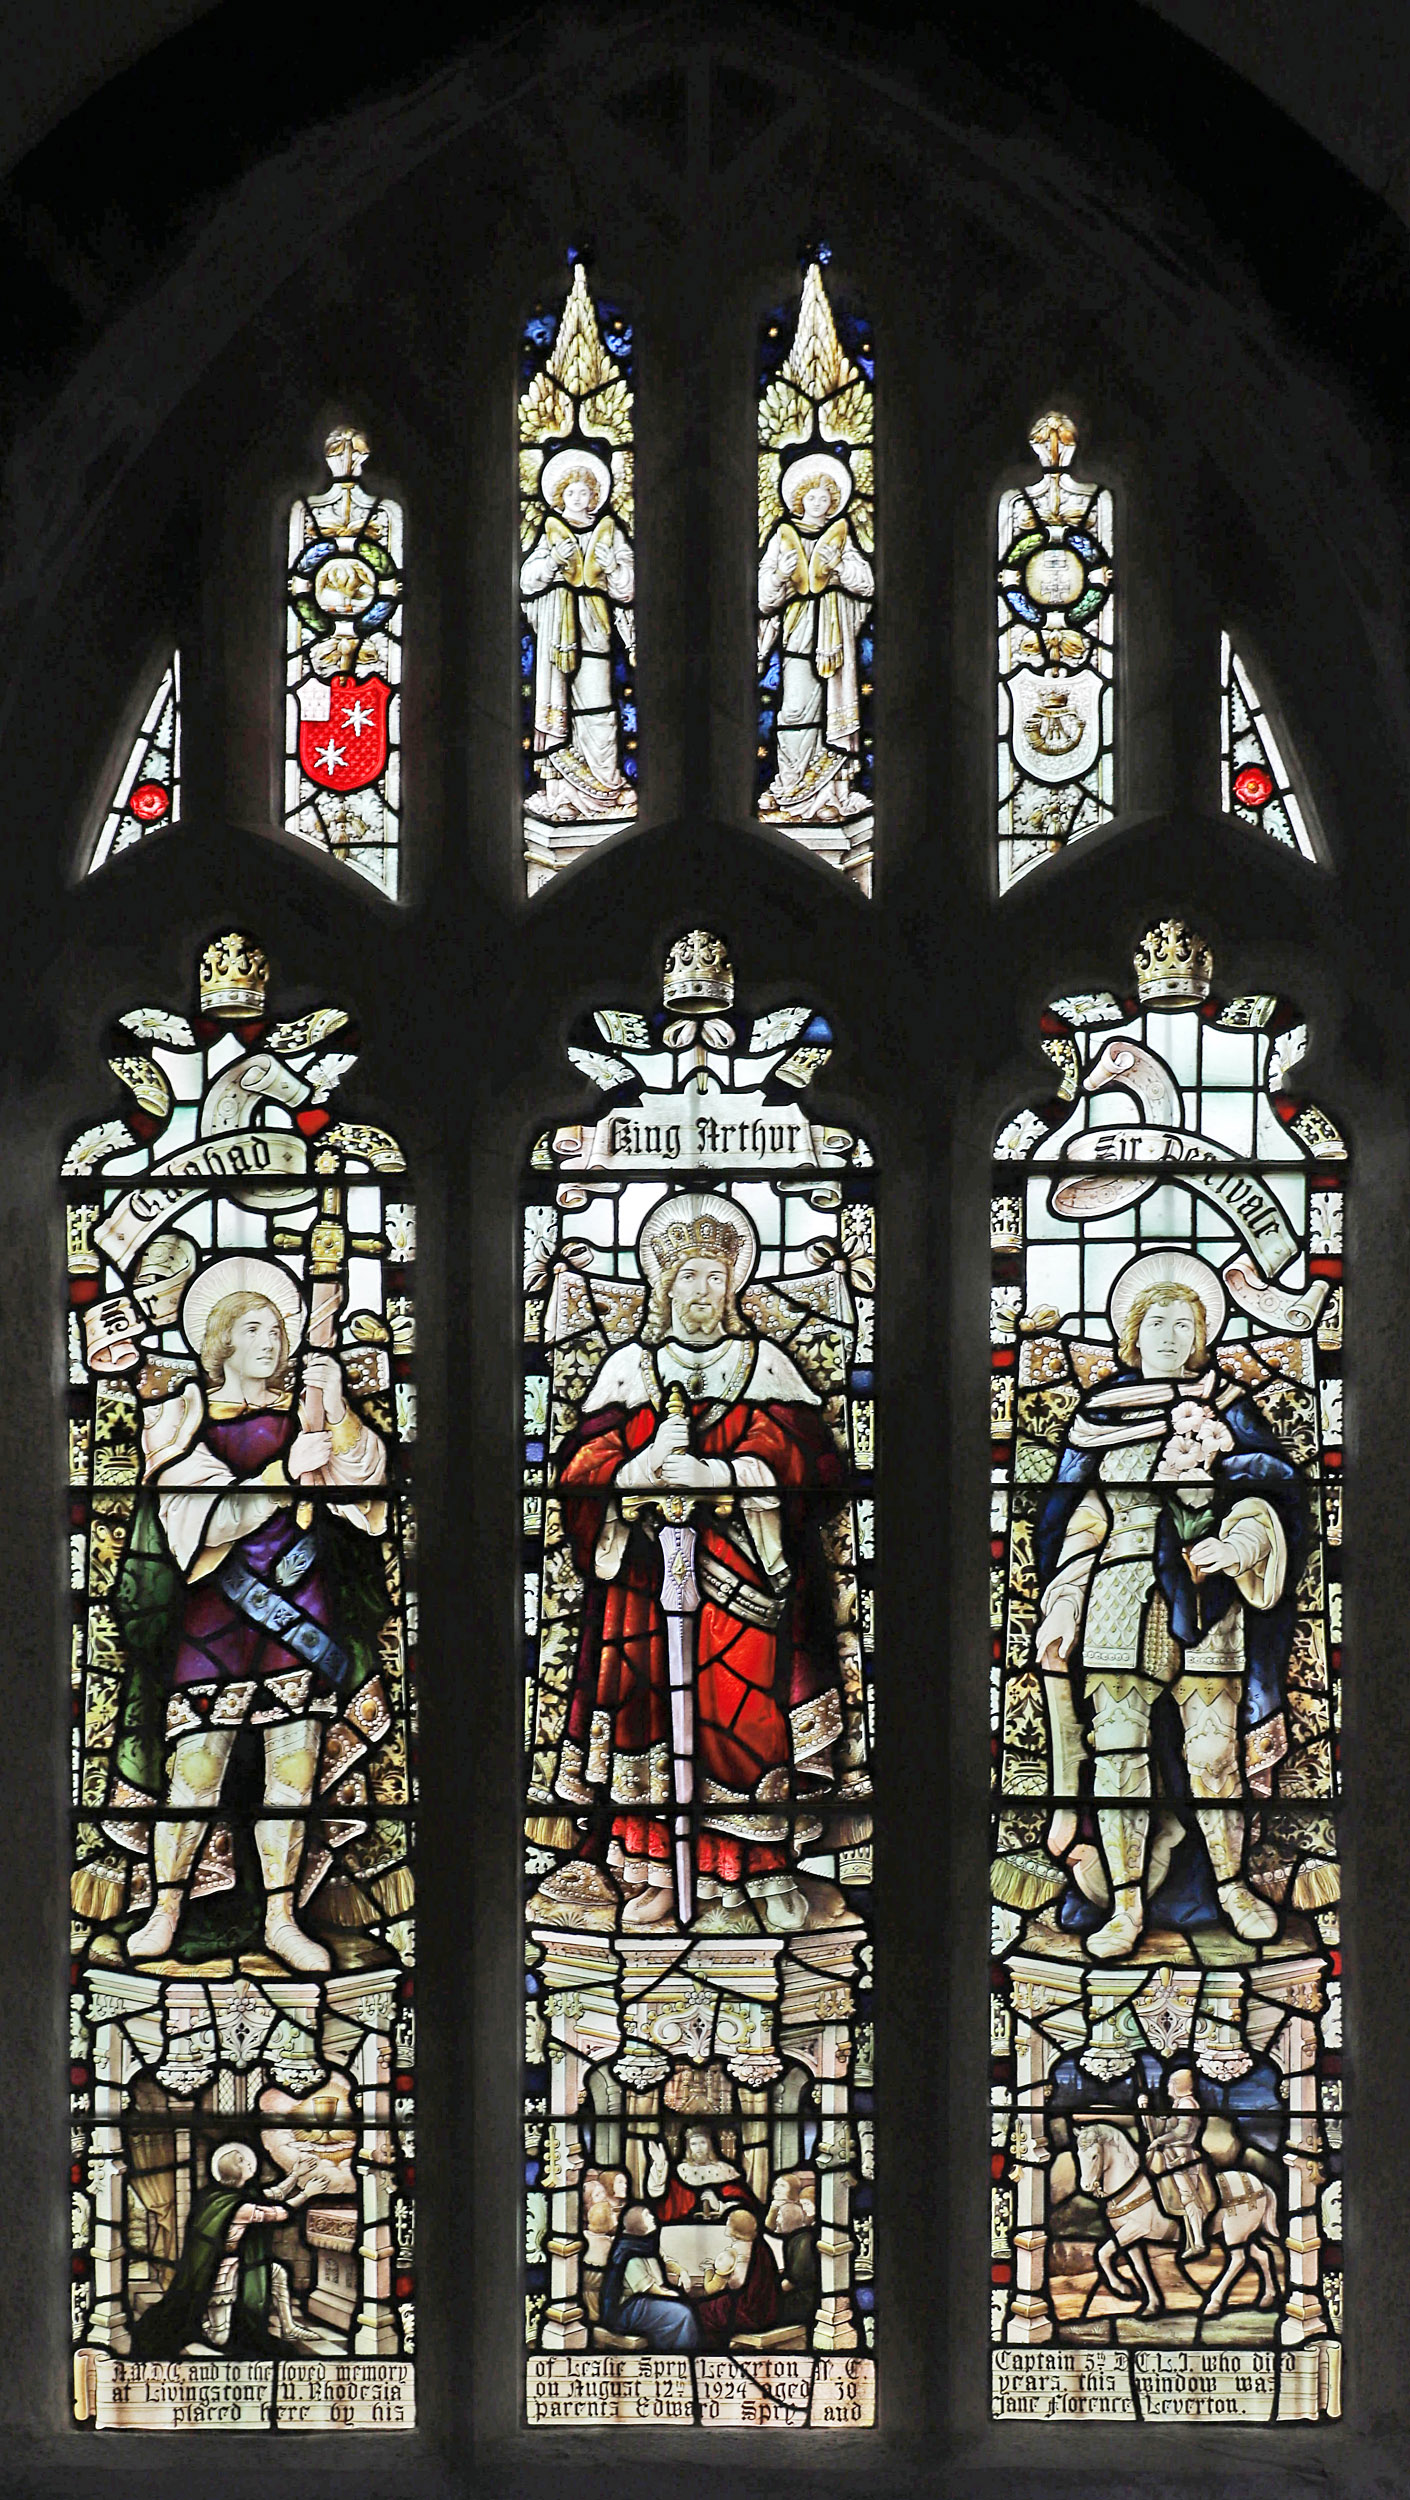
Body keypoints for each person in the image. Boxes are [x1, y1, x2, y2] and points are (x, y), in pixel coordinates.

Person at [545, 1192, 849, 1935]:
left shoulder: (768, 1365)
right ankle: (656, 1869)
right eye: (690, 1278)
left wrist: (732, 1476)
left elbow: (811, 1461)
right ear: (665, 1286)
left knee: (749, 1714)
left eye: (717, 1277)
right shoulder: (629, 1369)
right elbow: (581, 1471)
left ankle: (764, 1866)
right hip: (647, 1581)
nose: (704, 1292)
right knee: (648, 1711)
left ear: (735, 1285)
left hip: (749, 1572)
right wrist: (633, 1471)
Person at [120, 1256, 389, 1973]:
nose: (271, 1340)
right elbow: (194, 1519)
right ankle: (166, 1910)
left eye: (277, 1328)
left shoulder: (305, 1411)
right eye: (254, 1328)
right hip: (217, 1613)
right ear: (221, 1342)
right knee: (197, 1769)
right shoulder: (185, 1417)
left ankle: (281, 1916)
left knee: (293, 1771)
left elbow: (368, 1486)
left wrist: (341, 1417)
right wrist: (282, 1472)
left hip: (301, 1606)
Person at [1035, 1251, 1301, 1959]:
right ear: (1132, 1332)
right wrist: (1062, 1600)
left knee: (1214, 1753)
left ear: (1202, 1336)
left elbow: (1268, 1497)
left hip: (1207, 1597)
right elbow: (1082, 1518)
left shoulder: (1229, 1414)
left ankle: (1232, 1885)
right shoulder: (1099, 1421)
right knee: (1119, 1758)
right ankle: (1125, 1905)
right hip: (1118, 1598)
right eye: (1157, 1323)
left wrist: (1241, 1546)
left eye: (1185, 1325)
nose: (1170, 1336)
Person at [520, 449, 635, 826]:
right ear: (560, 497)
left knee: (599, 706)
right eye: (571, 493)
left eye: (586, 493)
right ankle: (562, 794)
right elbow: (527, 580)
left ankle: (603, 787)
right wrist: (553, 561)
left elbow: (628, 589)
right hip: (557, 630)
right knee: (558, 709)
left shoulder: (610, 532)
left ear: (595, 497)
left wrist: (613, 566)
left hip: (595, 627)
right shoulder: (551, 532)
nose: (579, 499)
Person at [131, 2142, 330, 2359]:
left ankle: (288, 2326)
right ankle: (209, 2325)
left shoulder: (222, 2194)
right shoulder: (238, 2205)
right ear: (237, 2172)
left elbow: (273, 2193)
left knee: (277, 2272)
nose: (249, 2163)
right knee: (221, 2338)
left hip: (234, 2261)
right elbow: (278, 2213)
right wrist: (307, 2193)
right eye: (243, 2162)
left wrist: (294, 2174)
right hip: (221, 2267)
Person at [758, 455, 873, 828]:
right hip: (798, 632)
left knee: (835, 714)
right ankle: (792, 788)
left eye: (826, 499)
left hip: (836, 636)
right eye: (812, 497)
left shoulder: (841, 537)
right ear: (799, 499)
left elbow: (867, 583)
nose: (818, 504)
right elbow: (763, 599)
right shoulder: (783, 537)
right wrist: (781, 575)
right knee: (794, 711)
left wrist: (839, 569)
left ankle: (832, 794)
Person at [599, 2206, 701, 2352]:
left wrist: (681, 2272)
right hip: (627, 2308)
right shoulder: (627, 2253)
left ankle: (672, 2351)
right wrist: (673, 2295)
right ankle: (681, 2357)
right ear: (637, 2224)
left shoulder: (646, 2243)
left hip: (646, 2299)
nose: (653, 2217)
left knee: (685, 2307)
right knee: (682, 2314)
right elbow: (649, 2288)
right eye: (647, 2216)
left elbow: (666, 2261)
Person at [1141, 2067, 1217, 2258]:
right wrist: (1145, 2111)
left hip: (1183, 2156)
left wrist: (1159, 2141)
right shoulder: (1178, 2104)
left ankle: (1199, 2242)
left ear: (1178, 2086)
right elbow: (1161, 2128)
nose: (1167, 2086)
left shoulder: (1189, 2104)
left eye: (1170, 2083)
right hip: (1170, 2153)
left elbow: (1182, 2132)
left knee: (1188, 2197)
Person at [693, 2210, 783, 2350]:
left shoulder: (730, 2255)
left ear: (735, 2229)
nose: (726, 2223)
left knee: (700, 2311)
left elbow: (711, 2289)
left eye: (729, 2221)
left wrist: (708, 2270)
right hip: (765, 2311)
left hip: (745, 2312)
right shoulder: (761, 2247)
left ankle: (713, 2353)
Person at [647, 2126, 756, 2222]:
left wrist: (720, 2206)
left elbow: (745, 2204)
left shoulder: (725, 2170)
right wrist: (660, 2165)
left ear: (709, 2145)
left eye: (702, 2143)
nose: (698, 2148)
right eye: (693, 2144)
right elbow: (661, 2199)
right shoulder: (682, 2172)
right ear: (689, 2147)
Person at [766, 2174, 820, 2327]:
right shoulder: (795, 2238)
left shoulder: (804, 2240)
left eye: (808, 2206)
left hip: (802, 2299)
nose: (804, 2211)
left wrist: (771, 2292)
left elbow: (794, 2280)